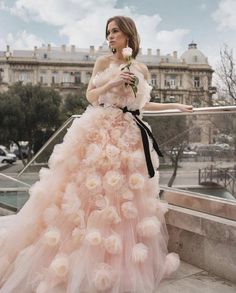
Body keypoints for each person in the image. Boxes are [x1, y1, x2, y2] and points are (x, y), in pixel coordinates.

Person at [0, 16, 192, 293]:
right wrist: (113, 83)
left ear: (128, 34)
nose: (110, 37)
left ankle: (114, 260)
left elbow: (143, 105)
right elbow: (90, 96)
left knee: (124, 199)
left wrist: (176, 104)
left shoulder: (142, 69)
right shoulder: (104, 63)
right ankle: (78, 254)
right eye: (108, 32)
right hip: (99, 133)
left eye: (115, 31)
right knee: (88, 194)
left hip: (129, 138)